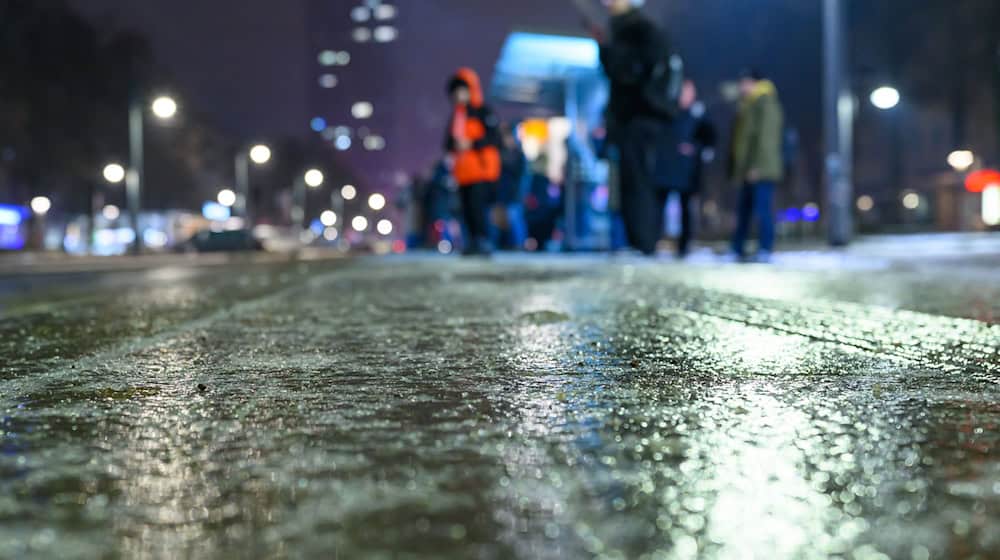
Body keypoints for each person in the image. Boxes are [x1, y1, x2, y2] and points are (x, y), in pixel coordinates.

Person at [597, 0, 675, 255]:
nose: (606, 3)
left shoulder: (639, 29)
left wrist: (606, 50)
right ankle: (639, 242)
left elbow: (629, 72)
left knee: (638, 179)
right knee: (633, 179)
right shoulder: (628, 28)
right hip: (635, 116)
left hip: (641, 116)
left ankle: (642, 243)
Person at [444, 67, 502, 256]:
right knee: (466, 208)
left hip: (481, 170)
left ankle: (483, 241)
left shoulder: (483, 112)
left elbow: (495, 139)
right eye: (456, 92)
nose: (459, 95)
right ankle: (472, 242)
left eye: (462, 90)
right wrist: (455, 144)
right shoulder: (457, 116)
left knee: (479, 208)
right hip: (462, 172)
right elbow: (446, 143)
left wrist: (472, 143)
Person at [655, 80, 716, 257]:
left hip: (688, 172)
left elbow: (710, 139)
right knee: (660, 207)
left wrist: (696, 148)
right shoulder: (669, 112)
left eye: (689, 92)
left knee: (686, 209)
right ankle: (655, 241)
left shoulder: (699, 115)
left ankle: (684, 246)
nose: (686, 95)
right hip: (667, 169)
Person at [728, 68, 784, 262]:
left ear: (753, 82)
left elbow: (765, 139)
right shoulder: (749, 104)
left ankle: (765, 249)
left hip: (761, 168)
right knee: (744, 209)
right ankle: (737, 248)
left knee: (762, 209)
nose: (741, 87)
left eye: (744, 83)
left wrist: (756, 167)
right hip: (748, 168)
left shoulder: (765, 102)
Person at [495, 122, 529, 250]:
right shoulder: (501, 153)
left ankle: (519, 245)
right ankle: (505, 245)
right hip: (502, 192)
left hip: (514, 193)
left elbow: (522, 177)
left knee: (515, 219)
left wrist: (519, 193)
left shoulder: (519, 155)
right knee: (500, 221)